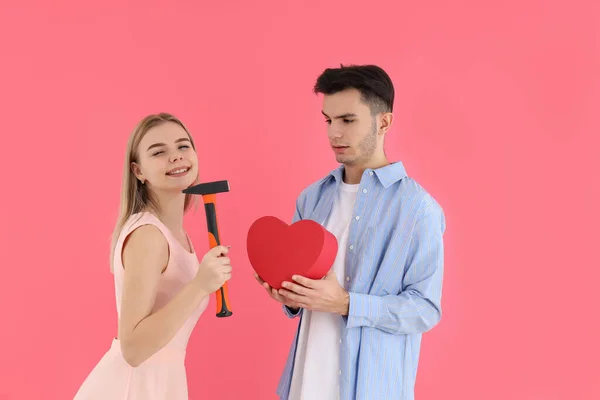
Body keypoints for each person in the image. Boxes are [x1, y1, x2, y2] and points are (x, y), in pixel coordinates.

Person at [255, 64, 446, 400]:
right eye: (328, 120)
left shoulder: (417, 209)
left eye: (347, 120)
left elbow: (425, 309)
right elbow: (307, 292)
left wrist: (347, 303)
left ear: (383, 121)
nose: (334, 134)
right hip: (304, 384)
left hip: (371, 388)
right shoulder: (311, 198)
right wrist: (290, 297)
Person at [74, 113, 232, 400]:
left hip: (159, 383)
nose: (176, 157)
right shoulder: (148, 235)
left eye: (183, 146)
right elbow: (133, 349)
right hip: (134, 386)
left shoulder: (174, 234)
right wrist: (200, 285)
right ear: (138, 171)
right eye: (159, 152)